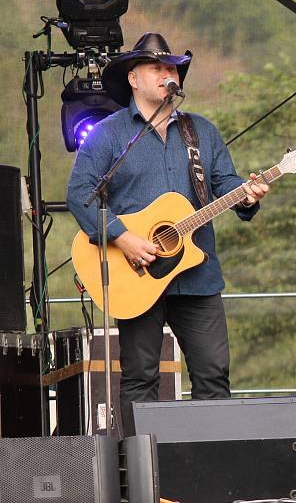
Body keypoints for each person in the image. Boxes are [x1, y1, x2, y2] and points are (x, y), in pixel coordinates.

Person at [66, 33, 270, 436]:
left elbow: (225, 183)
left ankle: (210, 472)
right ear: (134, 79)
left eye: (172, 68)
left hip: (198, 276)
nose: (167, 74)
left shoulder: (202, 132)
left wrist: (246, 197)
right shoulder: (108, 134)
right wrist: (122, 236)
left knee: (213, 375)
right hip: (137, 274)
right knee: (141, 380)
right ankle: (142, 479)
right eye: (157, 67)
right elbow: (80, 195)